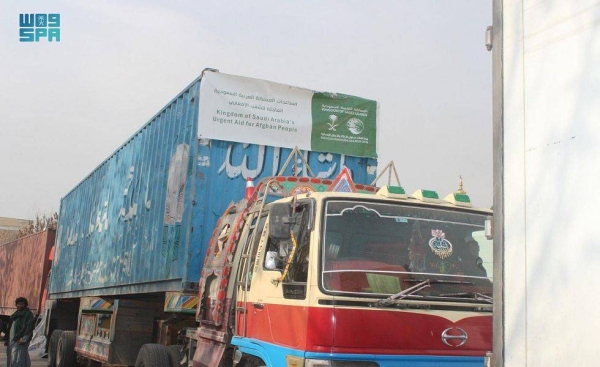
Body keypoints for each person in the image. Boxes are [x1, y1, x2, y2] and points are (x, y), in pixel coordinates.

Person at [7, 297, 35, 367]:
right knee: (18, 357)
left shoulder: (28, 314)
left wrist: (24, 339)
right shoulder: (17, 314)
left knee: (18, 358)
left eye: (21, 304)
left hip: (20, 340)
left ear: (25, 305)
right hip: (14, 339)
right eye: (18, 304)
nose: (19, 305)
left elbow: (29, 328)